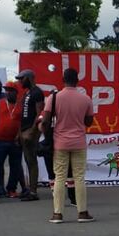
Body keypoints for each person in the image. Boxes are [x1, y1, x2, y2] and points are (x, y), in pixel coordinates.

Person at [43, 68, 95, 224]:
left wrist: (45, 132)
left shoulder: (54, 98)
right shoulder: (85, 99)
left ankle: (57, 214)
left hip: (60, 143)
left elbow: (45, 120)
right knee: (79, 177)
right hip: (79, 142)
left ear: (63, 79)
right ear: (77, 80)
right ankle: (82, 213)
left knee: (59, 177)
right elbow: (89, 122)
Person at [16, 69, 45, 201]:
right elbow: (23, 115)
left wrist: (32, 131)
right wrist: (19, 133)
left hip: (30, 132)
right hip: (24, 130)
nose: (20, 81)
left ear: (28, 78)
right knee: (28, 161)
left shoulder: (37, 92)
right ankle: (29, 189)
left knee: (32, 161)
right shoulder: (27, 93)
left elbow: (40, 114)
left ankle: (33, 192)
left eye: (21, 79)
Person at [0, 81, 27, 198]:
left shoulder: (21, 105)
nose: (7, 92)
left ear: (15, 92)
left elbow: (23, 123)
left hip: (15, 141)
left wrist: (19, 135)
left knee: (15, 166)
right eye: (6, 90)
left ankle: (11, 189)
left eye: (10, 90)